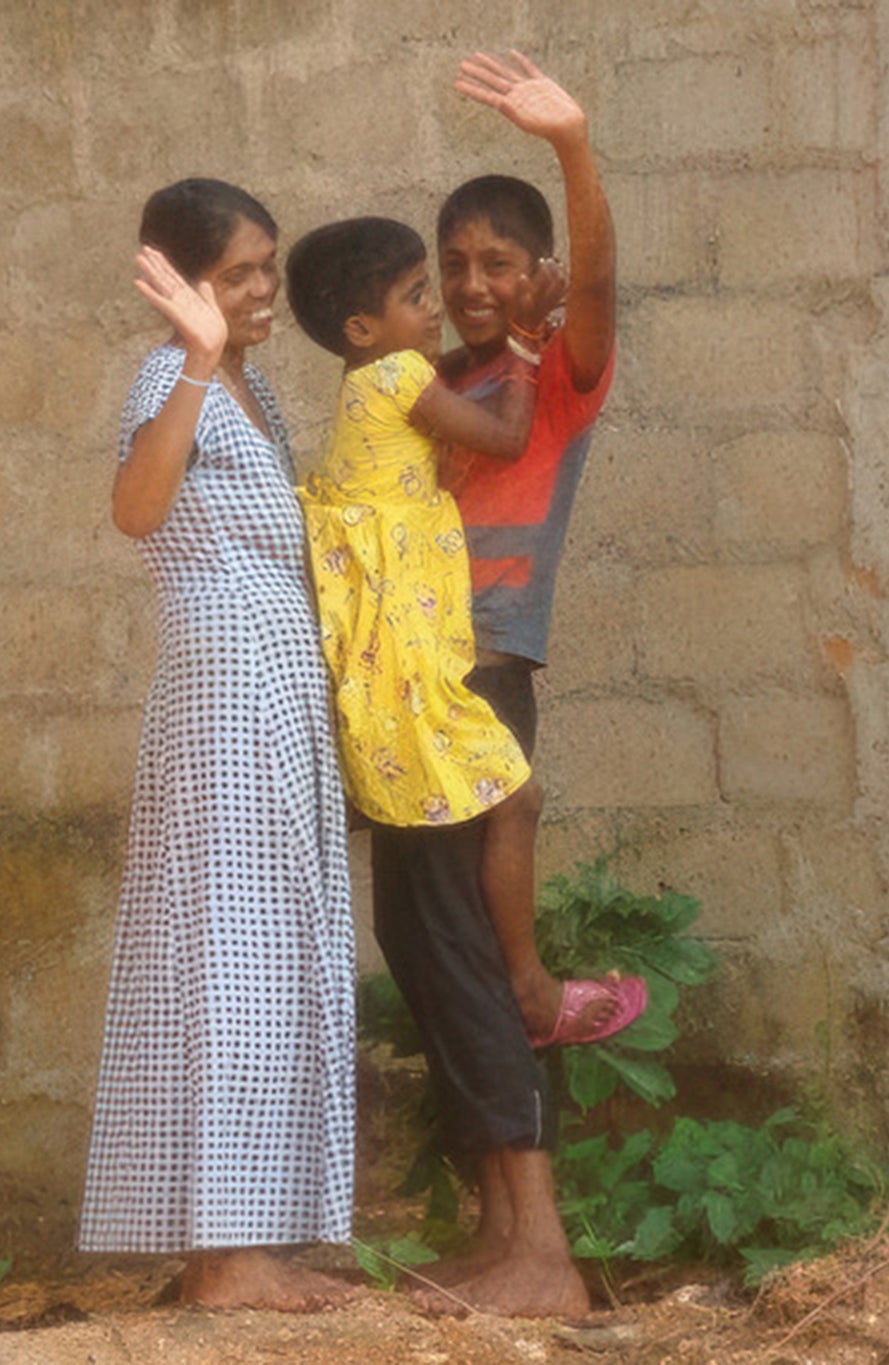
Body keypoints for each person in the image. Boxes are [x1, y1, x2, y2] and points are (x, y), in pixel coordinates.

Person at [370, 51, 619, 1318]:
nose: (472, 284)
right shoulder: (439, 391)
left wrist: (571, 149)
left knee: (462, 940)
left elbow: (600, 294)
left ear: (537, 281)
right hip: (410, 692)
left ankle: (542, 1254)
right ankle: (495, 1231)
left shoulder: (550, 378)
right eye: (451, 264)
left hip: (478, 685)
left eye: (496, 263)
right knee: (416, 936)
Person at [78, 178, 356, 1313]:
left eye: (265, 267)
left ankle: (233, 1246)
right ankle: (227, 1258)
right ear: (184, 281)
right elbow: (137, 511)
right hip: (227, 698)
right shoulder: (174, 376)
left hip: (275, 698)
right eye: (238, 271)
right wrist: (192, 358)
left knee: (262, 957)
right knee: (227, 957)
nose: (261, 290)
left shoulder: (263, 393)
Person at [284, 217, 645, 1053]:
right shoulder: (400, 376)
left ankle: (521, 993)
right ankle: (526, 989)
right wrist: (523, 340)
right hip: (414, 653)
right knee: (515, 802)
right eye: (420, 293)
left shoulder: (370, 382)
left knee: (493, 823)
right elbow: (509, 437)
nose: (439, 306)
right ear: (362, 331)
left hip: (397, 643)